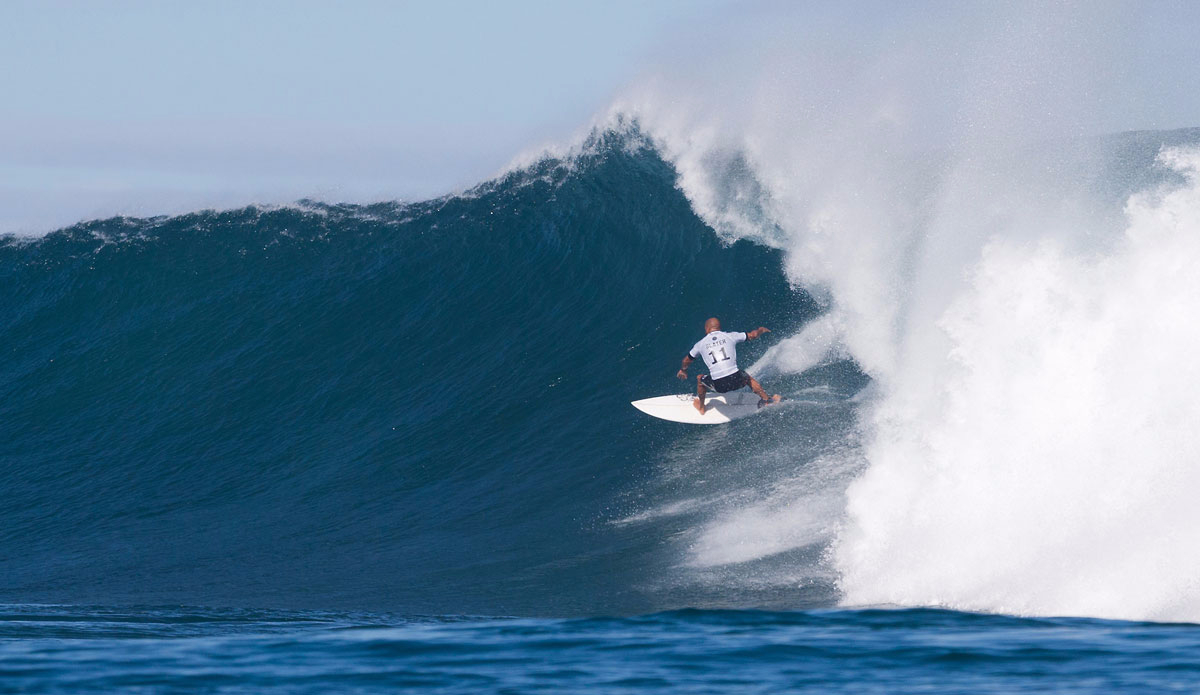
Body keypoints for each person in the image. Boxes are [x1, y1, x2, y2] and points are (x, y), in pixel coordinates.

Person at [676, 317, 781, 415]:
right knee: (747, 378)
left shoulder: (700, 344)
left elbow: (686, 360)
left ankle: (702, 408)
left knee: (700, 378)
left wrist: (683, 370)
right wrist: (761, 330)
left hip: (719, 386)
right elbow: (753, 335)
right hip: (736, 380)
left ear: (706, 329)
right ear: (719, 327)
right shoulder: (730, 336)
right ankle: (767, 400)